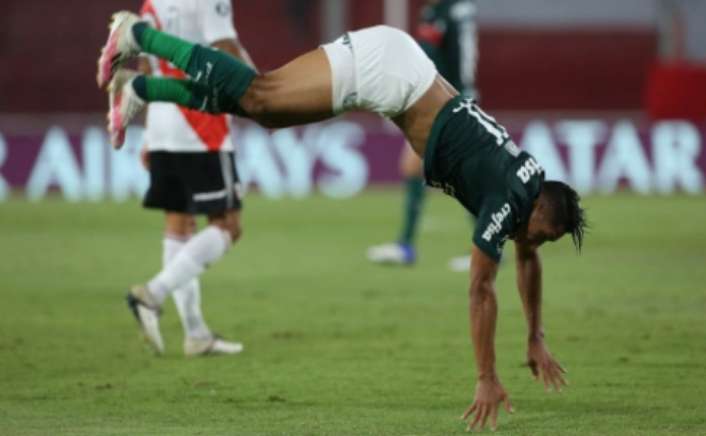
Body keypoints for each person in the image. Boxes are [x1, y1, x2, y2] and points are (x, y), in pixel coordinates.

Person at [97, 14, 586, 430]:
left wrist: (535, 336)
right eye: (542, 234)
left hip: (400, 75)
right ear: (540, 210)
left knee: (264, 108)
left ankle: (141, 88)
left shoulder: (532, 181)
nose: (533, 242)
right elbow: (481, 289)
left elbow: (527, 260)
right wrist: (485, 375)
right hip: (390, 72)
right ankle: (139, 36)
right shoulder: (506, 200)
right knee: (261, 92)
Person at [127, 0, 255, 356]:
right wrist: (260, 93)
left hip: (162, 123)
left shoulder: (150, 4)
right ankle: (151, 294)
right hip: (201, 124)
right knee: (228, 225)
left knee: (179, 226)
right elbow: (224, 46)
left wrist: (150, 135)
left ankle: (196, 334)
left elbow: (146, 62)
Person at [366, 0, 478, 270]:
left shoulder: (445, 11)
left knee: (458, 176)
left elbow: (430, 54)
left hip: (449, 100)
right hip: (449, 97)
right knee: (417, 167)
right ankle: (406, 246)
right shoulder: (451, 10)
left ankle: (487, 248)